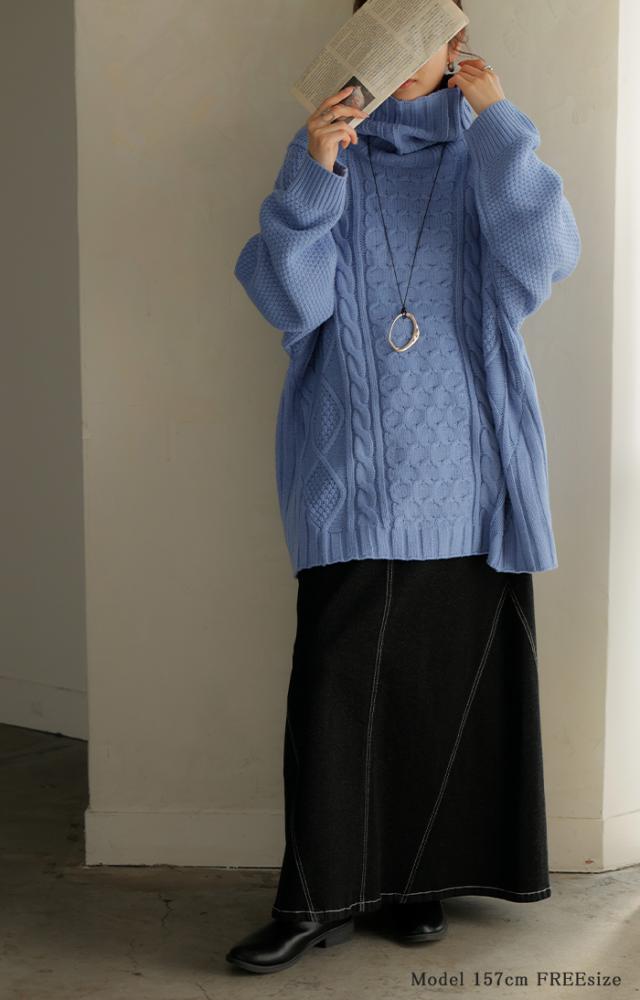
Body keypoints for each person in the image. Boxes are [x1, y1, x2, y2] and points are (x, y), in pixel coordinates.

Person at [227, 0, 581, 976]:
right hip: (353, 476)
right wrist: (314, 170)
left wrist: (498, 118)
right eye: (390, 28)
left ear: (453, 43)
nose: (409, 52)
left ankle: (418, 880)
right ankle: (315, 900)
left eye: (428, 30)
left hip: (472, 478)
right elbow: (286, 299)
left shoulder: (482, 153)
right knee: (335, 695)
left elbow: (547, 258)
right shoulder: (325, 157)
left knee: (440, 694)